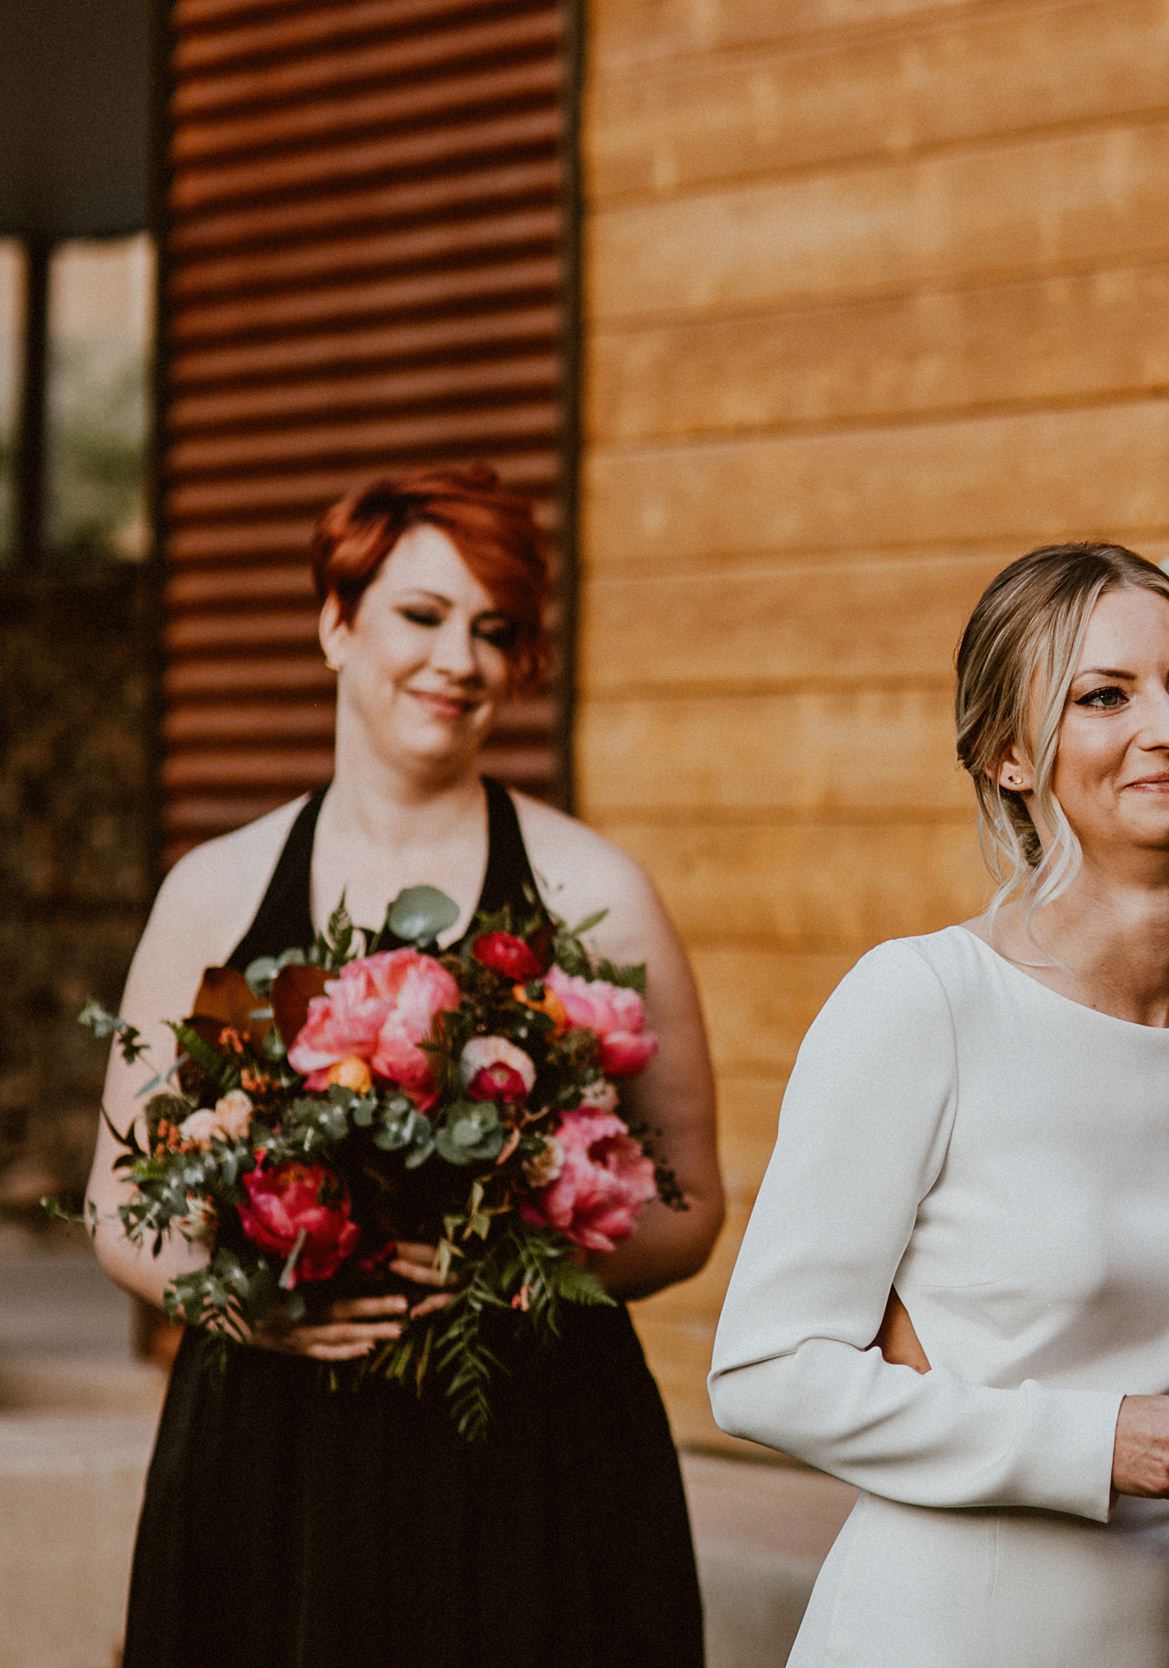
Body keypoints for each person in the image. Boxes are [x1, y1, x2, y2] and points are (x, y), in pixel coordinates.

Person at [87, 464, 724, 1668]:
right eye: (423, 617)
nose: (460, 660)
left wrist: (524, 1264)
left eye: (495, 631)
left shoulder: (598, 896)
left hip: (535, 1455)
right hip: (273, 1456)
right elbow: (124, 1203)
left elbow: (688, 1205)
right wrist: (249, 1308)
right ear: (336, 624)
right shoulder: (217, 895)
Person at [708, 542, 1169, 1668]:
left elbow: (1145, 1351)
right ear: (1011, 756)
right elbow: (766, 1371)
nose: (1168, 728)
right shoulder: (925, 1002)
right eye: (1104, 697)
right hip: (943, 1633)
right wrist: (1090, 1442)